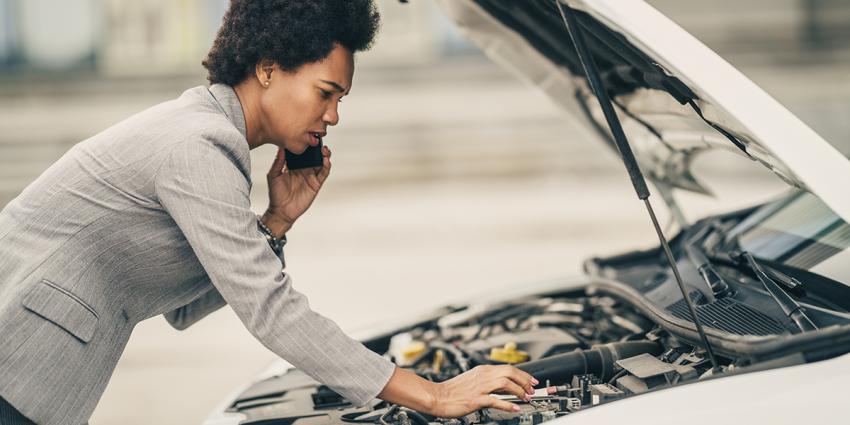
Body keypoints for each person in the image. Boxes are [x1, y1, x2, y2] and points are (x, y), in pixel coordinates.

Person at [0, 1, 539, 424]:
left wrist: (276, 222)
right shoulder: (197, 147)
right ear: (267, 68)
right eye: (325, 93)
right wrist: (433, 394)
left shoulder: (205, 138)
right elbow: (270, 308)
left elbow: (183, 309)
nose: (333, 116)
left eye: (341, 99)